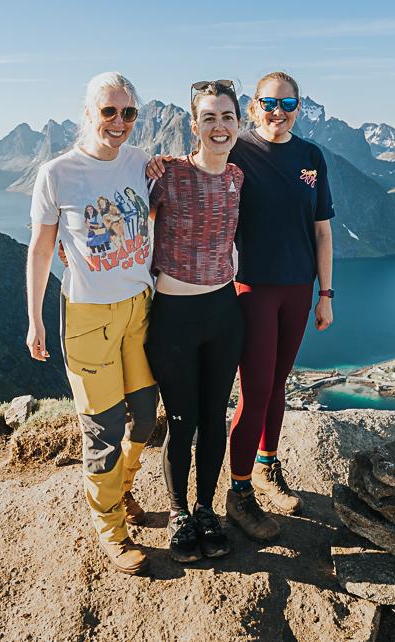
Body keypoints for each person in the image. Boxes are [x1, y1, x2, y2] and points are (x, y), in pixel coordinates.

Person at [26, 71, 158, 576]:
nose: (119, 122)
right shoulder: (57, 174)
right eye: (109, 111)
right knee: (103, 430)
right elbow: (41, 250)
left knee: (145, 417)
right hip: (86, 318)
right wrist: (34, 318)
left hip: (138, 310)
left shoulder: (142, 163)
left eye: (128, 113)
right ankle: (110, 528)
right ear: (88, 114)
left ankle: (122, 491)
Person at [224, 71, 334, 541]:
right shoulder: (236, 149)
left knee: (278, 383)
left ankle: (268, 465)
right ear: (253, 106)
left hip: (298, 288)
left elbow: (322, 230)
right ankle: (239, 490)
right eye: (270, 103)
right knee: (255, 387)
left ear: (299, 108)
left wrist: (325, 294)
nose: (279, 112)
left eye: (288, 105)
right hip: (251, 287)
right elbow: (197, 168)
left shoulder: (311, 156)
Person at [144, 79, 244, 563]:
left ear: (238, 124)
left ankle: (206, 509)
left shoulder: (237, 178)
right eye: (209, 117)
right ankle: (179, 512)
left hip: (224, 313)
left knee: (213, 419)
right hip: (175, 315)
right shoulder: (166, 175)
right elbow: (122, 220)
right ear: (194, 124)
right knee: (181, 421)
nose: (219, 126)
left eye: (227, 117)